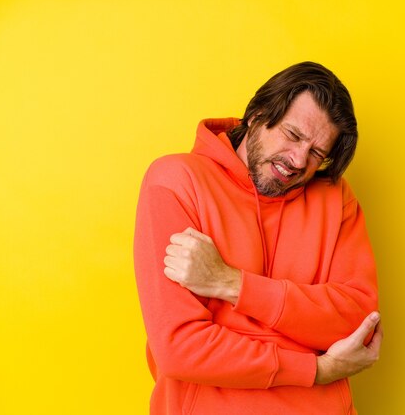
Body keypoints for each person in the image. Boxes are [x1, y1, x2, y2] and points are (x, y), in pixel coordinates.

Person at [134, 61, 381, 414]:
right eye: (293, 135)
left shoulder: (335, 198)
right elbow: (181, 349)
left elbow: (358, 324)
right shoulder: (177, 182)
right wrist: (317, 366)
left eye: (316, 154)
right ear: (257, 114)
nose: (297, 161)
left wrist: (231, 285)